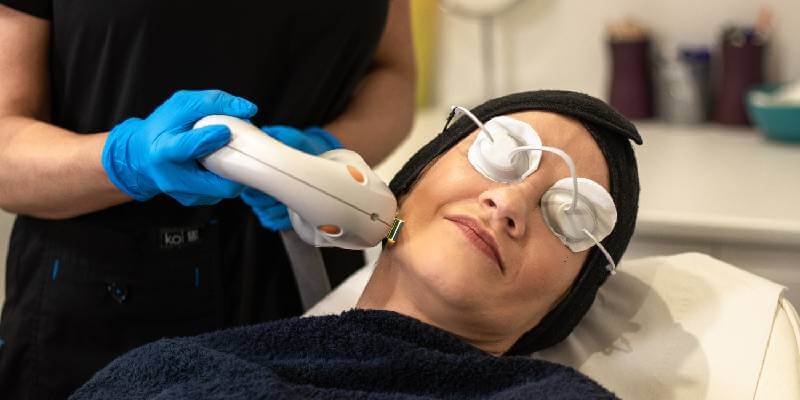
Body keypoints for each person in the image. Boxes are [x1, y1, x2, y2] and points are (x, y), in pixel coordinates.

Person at [70, 90, 643, 399]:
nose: (510, 204)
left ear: (566, 301)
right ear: (411, 179)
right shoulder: (172, 371)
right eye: (501, 151)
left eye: (572, 214)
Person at [0, 1, 415, 398]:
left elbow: (393, 77)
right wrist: (127, 159)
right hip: (103, 301)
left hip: (305, 269)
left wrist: (323, 153)